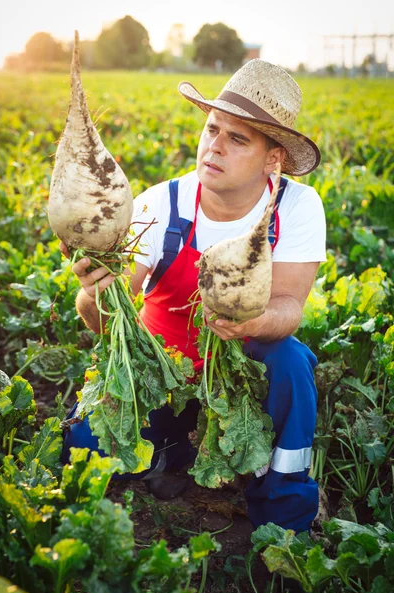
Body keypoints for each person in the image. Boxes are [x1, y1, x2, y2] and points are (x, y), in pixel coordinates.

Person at [61, 59, 326, 534]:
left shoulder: (296, 206)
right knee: (82, 446)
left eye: (237, 138)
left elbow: (289, 307)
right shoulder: (160, 203)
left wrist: (251, 324)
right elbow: (106, 321)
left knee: (289, 359)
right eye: (211, 129)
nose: (214, 147)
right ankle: (171, 443)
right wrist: (94, 293)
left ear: (273, 159)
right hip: (158, 372)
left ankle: (283, 512)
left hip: (241, 383)